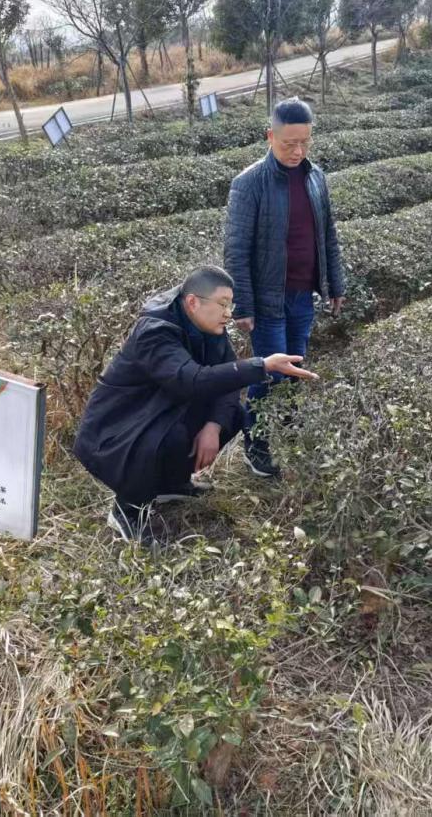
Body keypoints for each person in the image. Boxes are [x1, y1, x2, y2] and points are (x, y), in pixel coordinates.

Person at [73, 265, 316, 541]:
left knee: (231, 413)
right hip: (117, 430)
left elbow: (225, 383)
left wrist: (213, 427)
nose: (229, 313)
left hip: (161, 410)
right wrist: (261, 365)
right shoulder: (155, 331)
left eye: (231, 305)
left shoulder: (209, 326)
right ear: (192, 302)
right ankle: (128, 508)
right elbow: (190, 380)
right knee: (166, 434)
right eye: (223, 304)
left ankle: (169, 484)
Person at [224, 96, 345, 478]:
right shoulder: (249, 183)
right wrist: (243, 306)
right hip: (268, 301)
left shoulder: (316, 177)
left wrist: (335, 284)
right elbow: (236, 249)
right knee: (269, 374)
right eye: (288, 143)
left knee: (296, 369)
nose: (297, 151)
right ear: (269, 137)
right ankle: (256, 444)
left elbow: (328, 235)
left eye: (304, 142)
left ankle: (288, 430)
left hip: (302, 296)